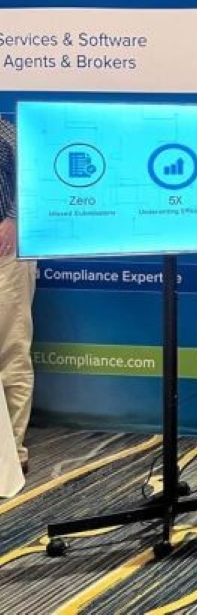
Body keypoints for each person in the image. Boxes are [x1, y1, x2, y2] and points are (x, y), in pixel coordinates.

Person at [0, 116, 35, 475]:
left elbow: (33, 176)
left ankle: (12, 453)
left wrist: (13, 219)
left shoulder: (6, 130)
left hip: (5, 252)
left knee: (11, 349)